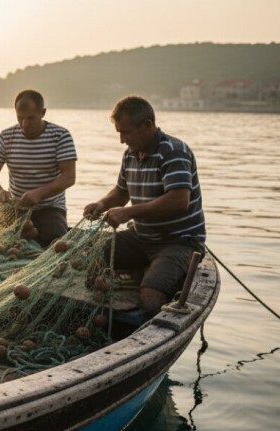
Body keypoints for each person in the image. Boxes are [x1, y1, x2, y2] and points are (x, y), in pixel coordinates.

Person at [83, 96, 206, 316]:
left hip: (178, 242)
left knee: (150, 297)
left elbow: (179, 200)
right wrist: (101, 204)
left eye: (126, 132)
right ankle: (139, 271)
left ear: (147, 125)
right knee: (93, 254)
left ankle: (150, 279)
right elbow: (121, 192)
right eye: (119, 133)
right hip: (140, 237)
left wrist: (129, 212)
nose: (122, 140)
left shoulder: (173, 152)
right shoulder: (130, 154)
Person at [0, 89, 77, 247]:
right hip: (16, 208)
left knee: (53, 242)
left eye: (31, 118)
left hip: (50, 207)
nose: (25, 124)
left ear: (43, 113)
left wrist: (39, 193)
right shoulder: (6, 136)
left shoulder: (60, 136)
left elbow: (69, 177)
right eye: (20, 118)